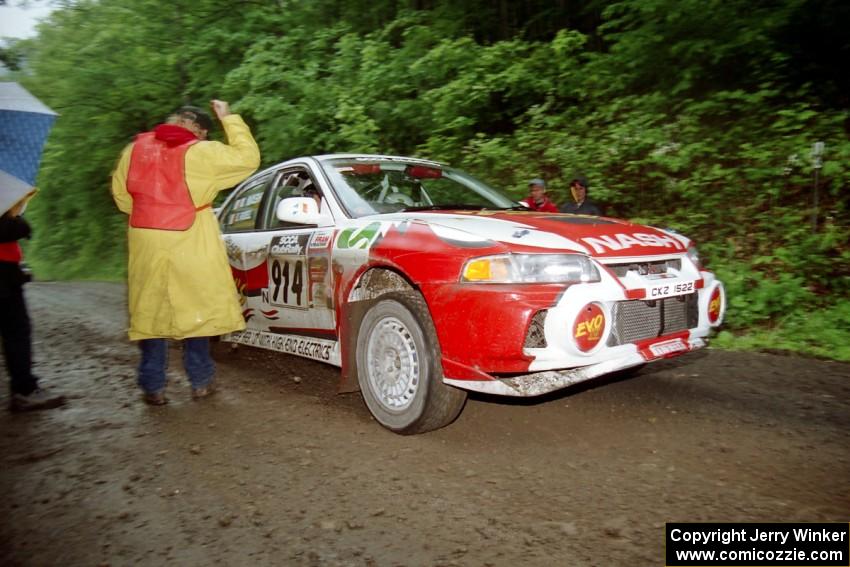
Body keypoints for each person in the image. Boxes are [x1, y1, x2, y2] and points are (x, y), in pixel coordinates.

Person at [110, 100, 260, 406]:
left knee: (150, 309)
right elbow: (248, 158)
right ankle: (201, 382)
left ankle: (153, 387)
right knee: (197, 306)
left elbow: (122, 197)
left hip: (146, 239)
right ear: (200, 130)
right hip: (191, 237)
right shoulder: (202, 152)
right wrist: (228, 118)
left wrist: (150, 211)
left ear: (172, 119)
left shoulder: (134, 150)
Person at [0, 195, 66, 411]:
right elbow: (12, 229)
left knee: (16, 330)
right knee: (16, 330)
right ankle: (24, 390)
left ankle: (24, 389)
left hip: (8, 271)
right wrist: (15, 216)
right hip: (2, 273)